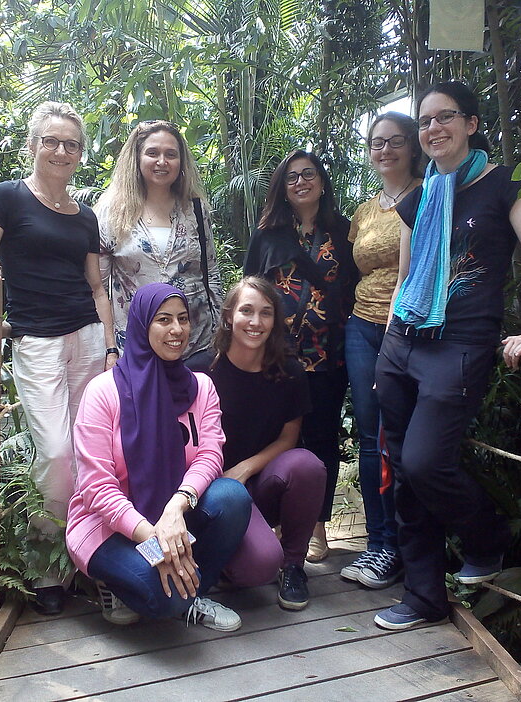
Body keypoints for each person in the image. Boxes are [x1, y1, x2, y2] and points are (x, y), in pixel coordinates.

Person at [373, 82, 521, 631]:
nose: (433, 129)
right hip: (403, 343)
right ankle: (423, 596)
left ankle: (488, 537)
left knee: (427, 461)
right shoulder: (418, 196)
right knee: (406, 477)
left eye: (444, 117)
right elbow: (407, 275)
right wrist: (389, 341)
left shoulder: (507, 184)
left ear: (472, 123)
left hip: (460, 344)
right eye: (425, 122)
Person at [0, 101, 118, 616]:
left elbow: (98, 287)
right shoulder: (8, 197)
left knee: (92, 452)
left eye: (71, 144)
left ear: (80, 154)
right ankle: (45, 565)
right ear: (32, 146)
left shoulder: (86, 214)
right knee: (54, 452)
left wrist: (111, 346)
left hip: (89, 337)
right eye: (50, 141)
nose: (60, 151)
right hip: (38, 341)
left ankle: (83, 560)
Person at [66, 283, 252, 631]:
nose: (177, 330)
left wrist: (176, 507)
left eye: (183, 319)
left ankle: (192, 592)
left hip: (172, 520)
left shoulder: (200, 387)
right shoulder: (104, 392)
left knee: (232, 497)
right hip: (107, 526)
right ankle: (120, 584)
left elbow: (210, 454)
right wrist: (155, 540)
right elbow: (95, 486)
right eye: (163, 320)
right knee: (167, 599)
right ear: (141, 324)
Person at [244, 150, 358, 563]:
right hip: (278, 355)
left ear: (322, 181)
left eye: (308, 174)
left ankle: (317, 527)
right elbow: (250, 293)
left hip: (330, 352)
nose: (300, 182)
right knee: (273, 438)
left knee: (322, 437)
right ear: (282, 188)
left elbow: (356, 288)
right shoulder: (268, 235)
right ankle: (271, 521)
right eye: (291, 177)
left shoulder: (344, 232)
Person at [187, 277, 326, 610]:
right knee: (257, 568)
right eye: (246, 311)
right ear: (228, 316)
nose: (255, 322)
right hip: (216, 492)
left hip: (259, 482)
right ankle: (227, 549)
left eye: (265, 313)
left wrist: (244, 469)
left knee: (307, 465)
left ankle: (293, 565)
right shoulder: (200, 371)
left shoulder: (289, 372)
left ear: (275, 321)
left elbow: (288, 438)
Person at [340, 112, 423, 590]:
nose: (385, 150)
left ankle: (414, 543)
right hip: (361, 327)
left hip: (409, 330)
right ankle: (380, 545)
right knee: (370, 437)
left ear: (412, 146)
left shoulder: (427, 196)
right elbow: (354, 274)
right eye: (376, 143)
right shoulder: (366, 210)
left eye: (395, 141)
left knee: (406, 436)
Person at [95, 120, 223, 357]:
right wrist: (109, 348)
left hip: (195, 344)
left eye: (171, 154)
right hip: (136, 347)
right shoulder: (111, 211)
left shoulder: (195, 209)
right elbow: (98, 288)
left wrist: (220, 335)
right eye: (152, 153)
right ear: (137, 157)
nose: (162, 162)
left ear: (181, 162)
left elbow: (211, 272)